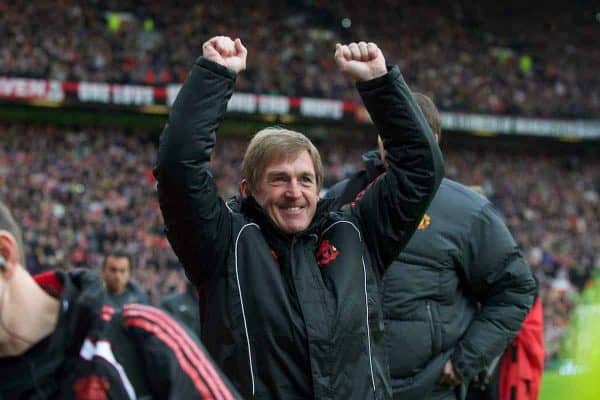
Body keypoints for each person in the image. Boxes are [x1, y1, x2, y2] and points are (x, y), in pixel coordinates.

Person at [155, 36, 444, 399]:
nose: (295, 192)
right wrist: (214, 75)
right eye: (279, 179)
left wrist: (380, 84)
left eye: (305, 179)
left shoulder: (356, 235)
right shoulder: (223, 244)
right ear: (248, 190)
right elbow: (177, 168)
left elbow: (422, 168)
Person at [323, 93, 537, 400]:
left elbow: (515, 290)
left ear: (432, 140)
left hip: (429, 390)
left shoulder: (467, 212)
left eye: (407, 134)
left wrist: (465, 360)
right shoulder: (340, 198)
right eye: (388, 135)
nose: (394, 144)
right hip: (348, 387)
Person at [0, 201, 240, 399]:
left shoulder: (144, 336)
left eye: (122, 270)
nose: (118, 276)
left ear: (4, 254)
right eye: (112, 270)